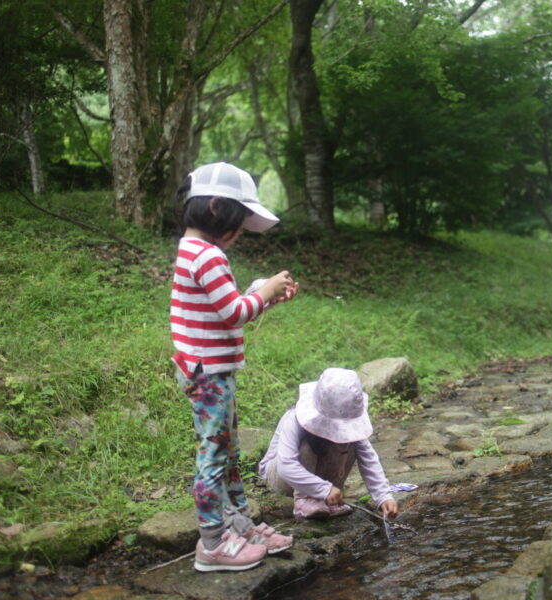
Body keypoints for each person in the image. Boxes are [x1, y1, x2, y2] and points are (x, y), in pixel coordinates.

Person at [171, 162, 300, 572]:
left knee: (228, 451)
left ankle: (238, 525)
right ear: (215, 208)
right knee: (213, 455)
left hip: (210, 372)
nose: (242, 232)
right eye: (240, 222)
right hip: (209, 375)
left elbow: (224, 307)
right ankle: (212, 543)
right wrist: (264, 292)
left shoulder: (195, 250)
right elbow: (233, 314)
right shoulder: (207, 255)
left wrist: (262, 294)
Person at [259, 367, 400, 522]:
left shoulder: (351, 429)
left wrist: (384, 496)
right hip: (282, 478)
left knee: (351, 442)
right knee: (309, 443)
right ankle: (304, 500)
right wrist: (323, 489)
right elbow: (285, 466)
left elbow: (368, 458)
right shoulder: (294, 419)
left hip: (319, 482)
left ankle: (326, 500)